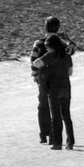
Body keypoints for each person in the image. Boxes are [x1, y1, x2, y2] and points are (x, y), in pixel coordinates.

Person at [28, 16, 74, 146]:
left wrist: (35, 75)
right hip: (62, 81)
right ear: (58, 27)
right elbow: (72, 51)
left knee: (43, 106)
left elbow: (33, 60)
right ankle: (56, 137)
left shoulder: (39, 42)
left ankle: (44, 135)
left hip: (44, 79)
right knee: (59, 110)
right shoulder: (63, 44)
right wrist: (67, 38)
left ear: (45, 27)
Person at [36, 30, 76, 150]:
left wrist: (47, 68)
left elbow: (36, 63)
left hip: (53, 89)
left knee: (55, 117)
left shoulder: (50, 56)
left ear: (51, 47)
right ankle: (70, 142)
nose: (47, 49)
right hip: (65, 87)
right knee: (66, 116)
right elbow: (70, 72)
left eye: (48, 47)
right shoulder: (67, 56)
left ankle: (57, 143)